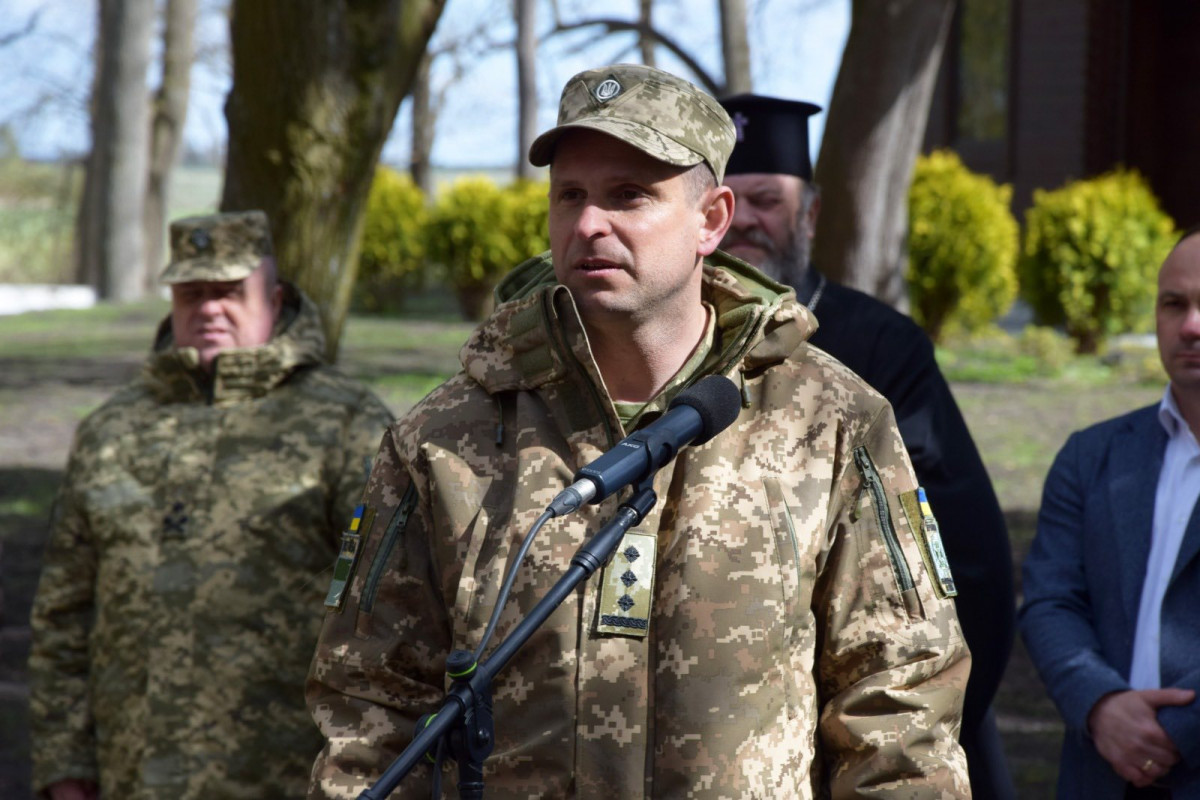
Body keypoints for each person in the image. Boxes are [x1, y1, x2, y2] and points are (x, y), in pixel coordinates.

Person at [306, 63, 970, 799]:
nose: (590, 224)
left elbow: (900, 705)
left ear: (711, 220)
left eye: (630, 196)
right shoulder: (444, 438)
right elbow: (370, 708)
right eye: (571, 196)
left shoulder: (829, 421)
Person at [26, 210, 394, 800]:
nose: (209, 309)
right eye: (192, 293)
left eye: (229, 292)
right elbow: (62, 616)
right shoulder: (110, 429)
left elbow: (390, 612)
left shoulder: (345, 423)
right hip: (132, 774)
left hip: (288, 774)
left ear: (274, 299)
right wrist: (64, 762)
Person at [717, 93, 1017, 800]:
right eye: (729, 200)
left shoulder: (880, 347)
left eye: (768, 199)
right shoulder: (651, 349)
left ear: (811, 214)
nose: (746, 221)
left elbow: (961, 557)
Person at [1020, 228, 1200, 799]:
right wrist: (1099, 704)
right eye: (1175, 304)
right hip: (1101, 775)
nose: (1191, 325)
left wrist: (1174, 733)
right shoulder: (1091, 456)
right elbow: (1051, 600)